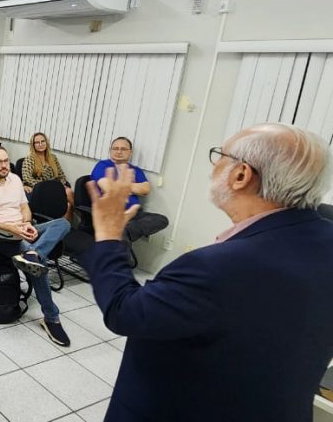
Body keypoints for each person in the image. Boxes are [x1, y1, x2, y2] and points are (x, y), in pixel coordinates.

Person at [81, 123, 333, 422]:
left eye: (219, 156)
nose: (213, 167)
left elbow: (125, 312)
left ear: (241, 175)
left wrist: (109, 235)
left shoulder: (216, 267)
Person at [0, 146, 72, 346]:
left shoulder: (15, 179)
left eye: (6, 161)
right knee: (39, 269)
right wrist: (10, 228)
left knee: (63, 223)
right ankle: (51, 318)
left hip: (21, 228)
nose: (3, 165)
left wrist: (26, 224)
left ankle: (34, 253)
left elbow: (24, 207)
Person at [91, 137, 168, 243]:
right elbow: (109, 188)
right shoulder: (103, 166)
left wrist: (121, 185)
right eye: (115, 148)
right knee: (120, 235)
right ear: (110, 150)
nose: (118, 151)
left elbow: (145, 190)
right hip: (110, 213)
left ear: (130, 152)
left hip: (133, 214)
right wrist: (134, 187)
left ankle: (125, 230)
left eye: (123, 149)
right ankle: (122, 232)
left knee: (161, 219)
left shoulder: (136, 170)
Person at [22, 132, 73, 212]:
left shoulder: (53, 158)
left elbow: (61, 175)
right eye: (37, 143)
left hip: (54, 187)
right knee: (66, 196)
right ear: (33, 145)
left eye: (43, 141)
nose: (40, 144)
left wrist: (59, 185)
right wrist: (47, 187)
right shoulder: (29, 159)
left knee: (68, 203)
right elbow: (27, 178)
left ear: (46, 143)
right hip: (39, 190)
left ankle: (66, 223)